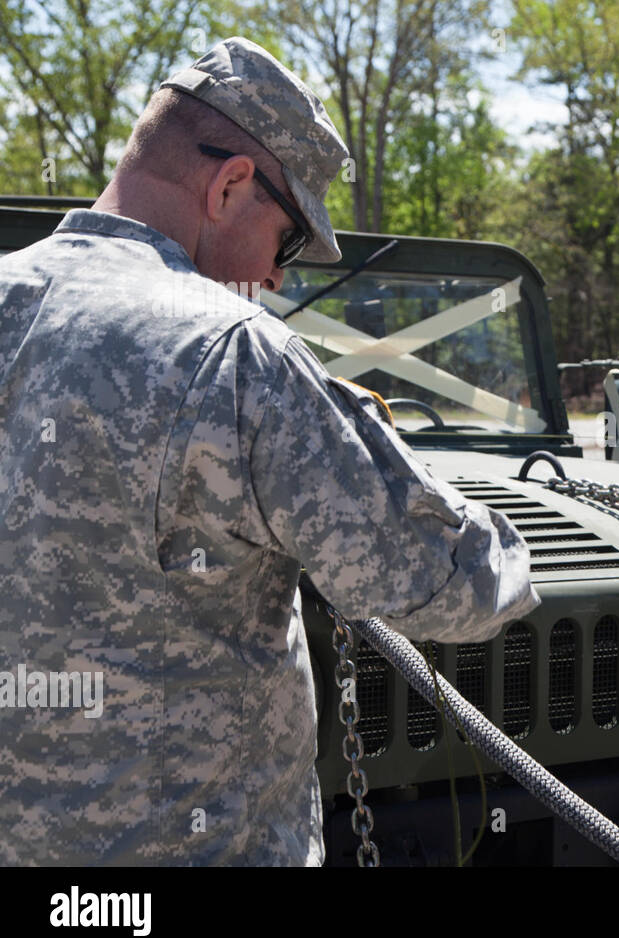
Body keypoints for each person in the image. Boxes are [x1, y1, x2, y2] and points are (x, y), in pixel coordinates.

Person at [0, 37, 539, 865]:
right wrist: (506, 547)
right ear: (228, 185)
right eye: (286, 243)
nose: (278, 277)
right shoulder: (232, 352)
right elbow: (439, 582)